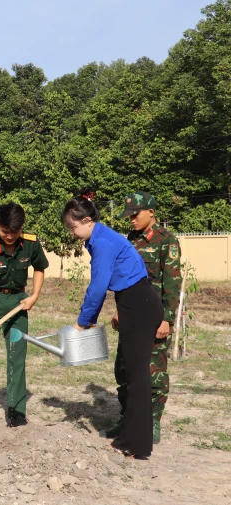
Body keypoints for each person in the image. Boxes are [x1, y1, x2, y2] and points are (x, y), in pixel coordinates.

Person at [62, 187, 163, 459]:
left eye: (73, 228)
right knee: (132, 374)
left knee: (138, 377)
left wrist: (83, 322)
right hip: (133, 303)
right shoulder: (100, 237)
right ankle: (129, 437)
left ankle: (138, 445)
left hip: (139, 305)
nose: (72, 233)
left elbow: (98, 287)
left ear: (86, 221)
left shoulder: (103, 242)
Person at [103, 192, 182, 444]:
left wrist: (166, 319)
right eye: (129, 216)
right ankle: (128, 419)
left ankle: (152, 422)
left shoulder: (166, 241)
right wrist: (118, 310)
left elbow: (172, 284)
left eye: (135, 215)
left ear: (151, 212)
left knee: (154, 372)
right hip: (130, 314)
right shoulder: (130, 240)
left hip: (154, 316)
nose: (132, 220)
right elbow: (123, 279)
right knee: (124, 368)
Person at [0, 203, 48, 429]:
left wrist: (34, 296)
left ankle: (16, 412)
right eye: (5, 232)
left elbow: (40, 268)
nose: (10, 236)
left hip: (18, 303)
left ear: (21, 228)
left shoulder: (31, 244)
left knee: (17, 357)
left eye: (15, 232)